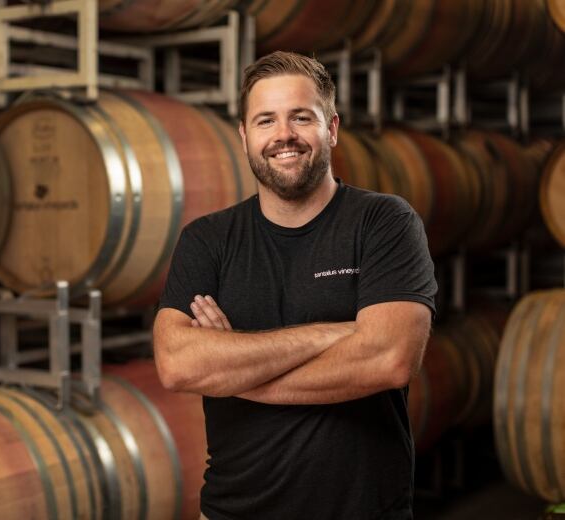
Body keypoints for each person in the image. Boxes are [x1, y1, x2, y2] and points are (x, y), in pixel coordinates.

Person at [152, 51, 437, 520]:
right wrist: (336, 332)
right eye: (266, 120)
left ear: (332, 128)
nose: (283, 135)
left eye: (301, 117)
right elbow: (178, 365)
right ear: (245, 135)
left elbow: (388, 359)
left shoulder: (384, 222)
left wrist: (235, 371)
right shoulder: (207, 240)